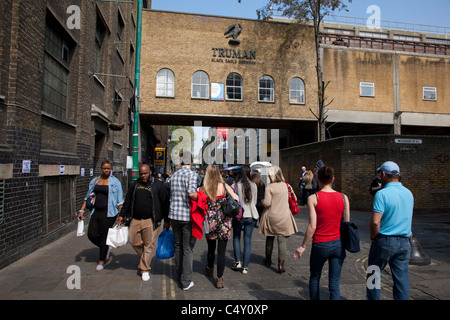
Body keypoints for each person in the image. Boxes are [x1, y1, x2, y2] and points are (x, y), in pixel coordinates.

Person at [294, 166, 349, 300]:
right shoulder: (343, 197)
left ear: (318, 179)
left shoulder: (313, 198)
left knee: (314, 278)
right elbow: (346, 222)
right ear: (333, 179)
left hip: (320, 244)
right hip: (338, 244)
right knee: (334, 283)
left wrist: (303, 246)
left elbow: (312, 226)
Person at [367, 161, 414, 300]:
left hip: (384, 240)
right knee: (402, 280)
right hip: (405, 241)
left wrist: (373, 237)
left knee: (373, 274)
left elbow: (375, 221)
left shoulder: (382, 194)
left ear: (383, 174)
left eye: (379, 173)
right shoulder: (408, 193)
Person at [117, 164, 170, 281]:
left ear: (150, 172)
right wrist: (122, 215)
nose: (143, 176)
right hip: (135, 219)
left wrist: (167, 220)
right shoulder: (134, 185)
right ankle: (144, 259)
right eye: (141, 174)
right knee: (133, 241)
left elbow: (165, 203)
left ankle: (145, 269)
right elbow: (128, 201)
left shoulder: (158, 185)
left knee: (149, 245)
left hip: (151, 221)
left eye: (145, 173)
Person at [77, 160, 123, 271]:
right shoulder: (95, 180)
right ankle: (106, 247)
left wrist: (121, 215)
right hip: (96, 211)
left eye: (108, 168)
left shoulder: (115, 182)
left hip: (109, 213)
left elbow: (119, 200)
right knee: (91, 234)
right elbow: (88, 196)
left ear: (111, 168)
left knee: (103, 236)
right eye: (104, 168)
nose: (106, 170)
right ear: (101, 168)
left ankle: (101, 261)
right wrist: (81, 211)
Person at [200, 165, 239, 288]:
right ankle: (220, 279)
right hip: (224, 222)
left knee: (211, 248)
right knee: (221, 252)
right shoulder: (224, 186)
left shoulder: (203, 188)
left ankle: (210, 268)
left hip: (210, 222)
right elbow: (236, 199)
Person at [259, 166, 298, 274]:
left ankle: (268, 259)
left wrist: (261, 201)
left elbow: (267, 203)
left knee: (270, 238)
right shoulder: (287, 186)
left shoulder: (269, 187)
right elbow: (295, 198)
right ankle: (281, 265)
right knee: (282, 241)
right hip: (284, 216)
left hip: (272, 216)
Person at [168, 152, 198, 291]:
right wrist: (201, 195)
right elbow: (191, 194)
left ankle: (179, 275)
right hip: (186, 217)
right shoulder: (191, 175)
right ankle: (186, 281)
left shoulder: (174, 176)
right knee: (187, 249)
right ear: (190, 161)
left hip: (174, 216)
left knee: (178, 247)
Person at [232, 166, 259, 275]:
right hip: (251, 215)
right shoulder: (254, 185)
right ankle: (245, 267)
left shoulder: (236, 186)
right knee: (247, 241)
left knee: (236, 237)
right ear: (249, 174)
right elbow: (255, 201)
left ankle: (237, 261)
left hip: (239, 215)